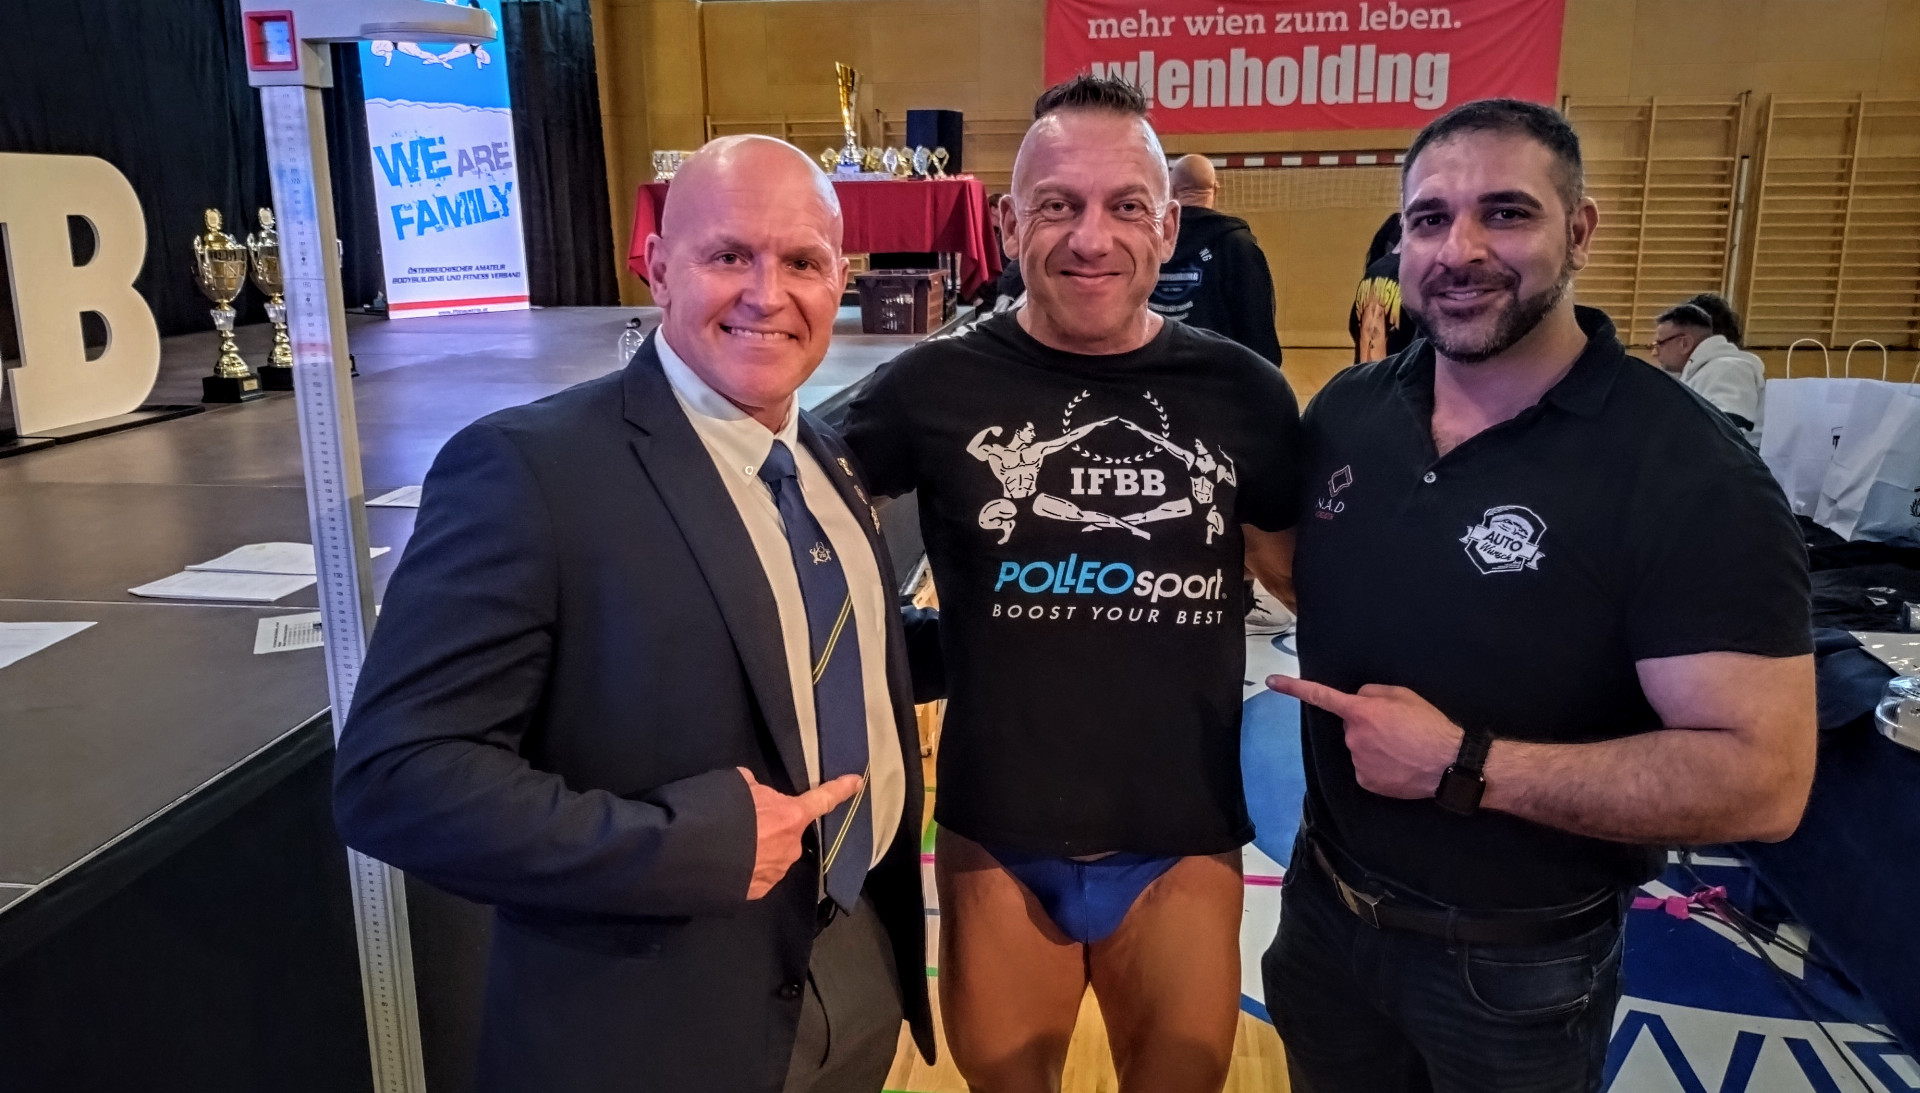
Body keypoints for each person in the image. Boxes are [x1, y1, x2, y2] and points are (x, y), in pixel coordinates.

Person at [332, 135, 936, 1093]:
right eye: (729, 255)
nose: (768, 294)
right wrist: (683, 845)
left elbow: (821, 651)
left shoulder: (824, 457)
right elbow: (394, 779)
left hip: (857, 973)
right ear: (656, 268)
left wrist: (1017, 629)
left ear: (841, 279)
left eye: (803, 261)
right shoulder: (528, 472)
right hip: (652, 1030)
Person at [1263, 98, 1816, 1093]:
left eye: (1507, 213)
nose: (1460, 250)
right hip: (1324, 917)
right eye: (1430, 219)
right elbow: (1317, 583)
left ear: (1580, 230)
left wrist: (1466, 764)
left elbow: (1764, 779)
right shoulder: (1350, 411)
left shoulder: (1686, 469)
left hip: (1515, 968)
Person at [843, 75, 1303, 1093]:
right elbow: (782, 520)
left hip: (1181, 836)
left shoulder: (1244, 394)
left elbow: (1315, 587)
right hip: (996, 839)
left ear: (1168, 227)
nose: (1091, 237)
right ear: (1011, 225)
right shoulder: (932, 386)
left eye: (1125, 205)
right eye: (1057, 204)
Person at [1148, 152, 1284, 367]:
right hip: (1218, 373)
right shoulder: (1239, 245)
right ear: (1216, 189)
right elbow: (1257, 326)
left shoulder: (1147, 242)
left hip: (1151, 370)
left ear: (1171, 191)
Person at [1649, 296, 1766, 442]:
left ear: (1685, 343)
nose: (1654, 353)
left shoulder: (1729, 368)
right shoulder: (1700, 372)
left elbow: (1725, 435)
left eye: (1660, 344)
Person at [1349, 212, 1422, 363]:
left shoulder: (1374, 271)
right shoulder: (1412, 275)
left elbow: (1353, 326)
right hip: (1396, 375)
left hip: (1367, 374)